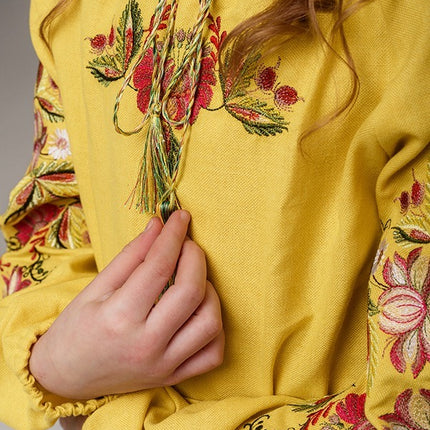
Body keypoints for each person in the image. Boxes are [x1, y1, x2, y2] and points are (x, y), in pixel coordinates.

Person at [0, 0, 429, 429]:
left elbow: (409, 406)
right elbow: (50, 231)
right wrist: (56, 365)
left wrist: (106, 408)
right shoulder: (68, 10)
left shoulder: (404, 24)